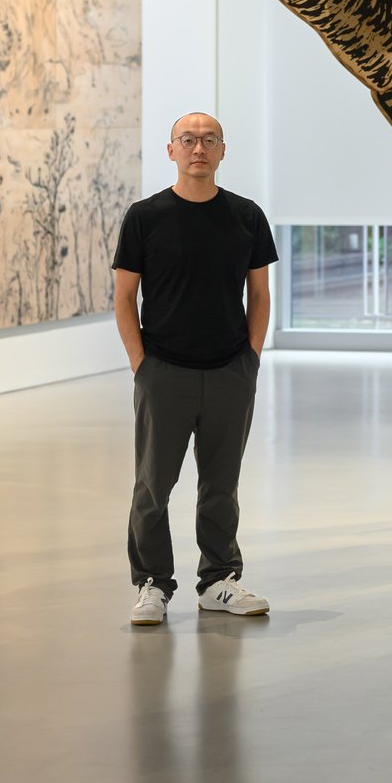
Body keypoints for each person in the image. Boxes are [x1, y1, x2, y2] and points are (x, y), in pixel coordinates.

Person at [113, 111, 277, 626]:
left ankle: (218, 581)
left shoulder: (247, 216)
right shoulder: (144, 216)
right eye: (188, 140)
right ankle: (152, 585)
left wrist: (250, 359)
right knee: (153, 485)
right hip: (164, 371)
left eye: (209, 140)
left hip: (230, 370)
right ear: (171, 150)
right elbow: (124, 298)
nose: (198, 148)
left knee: (221, 484)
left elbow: (259, 294)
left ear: (223, 151)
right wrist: (142, 365)